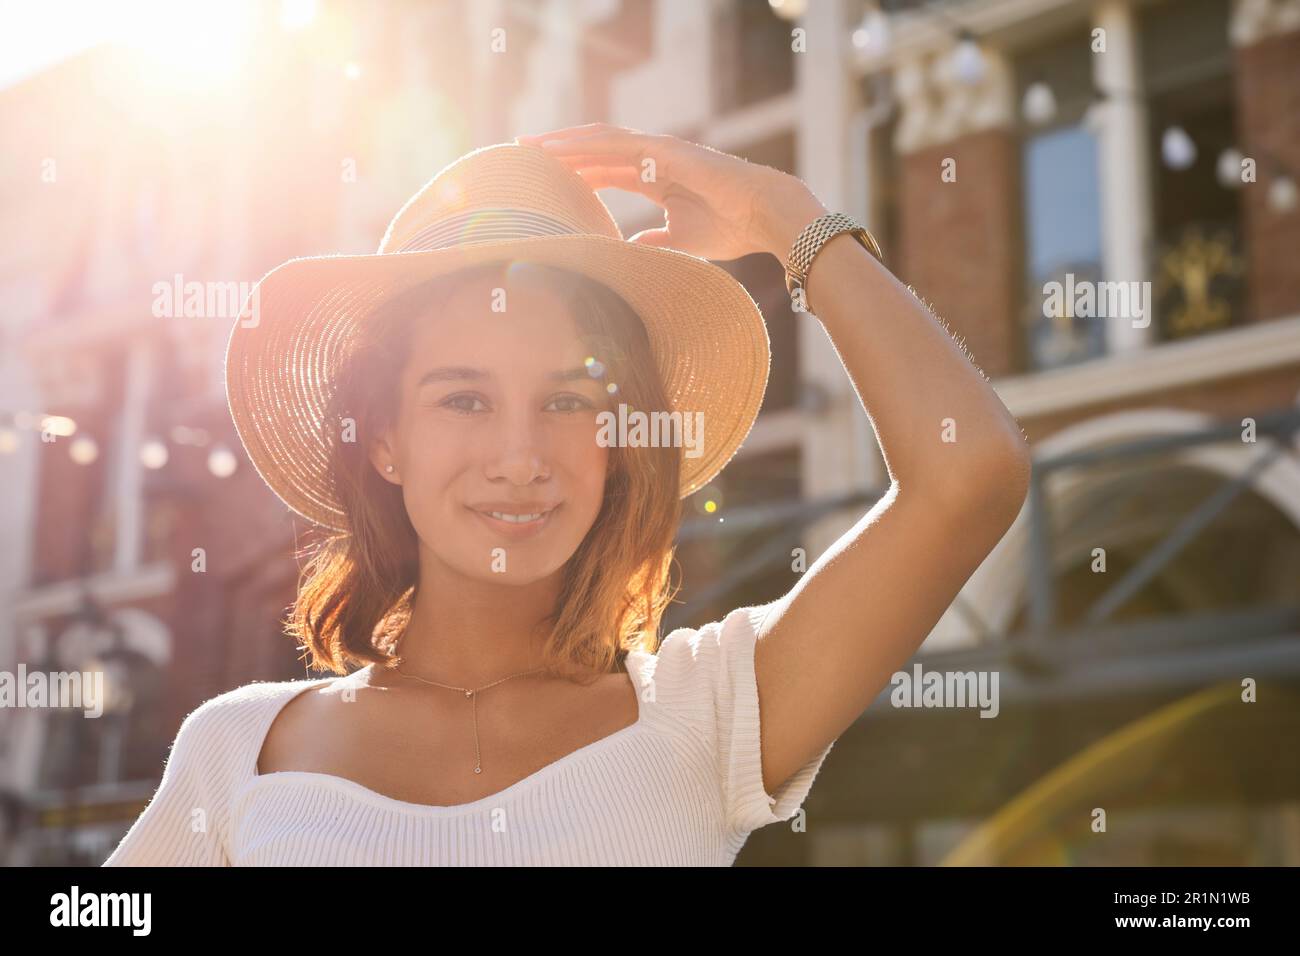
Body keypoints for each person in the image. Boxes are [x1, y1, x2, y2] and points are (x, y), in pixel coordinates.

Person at [103, 126, 1030, 866]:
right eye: (463, 398)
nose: (519, 455)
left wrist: (785, 213)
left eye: (568, 402)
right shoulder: (237, 750)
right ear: (383, 440)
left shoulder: (706, 712)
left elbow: (970, 474)